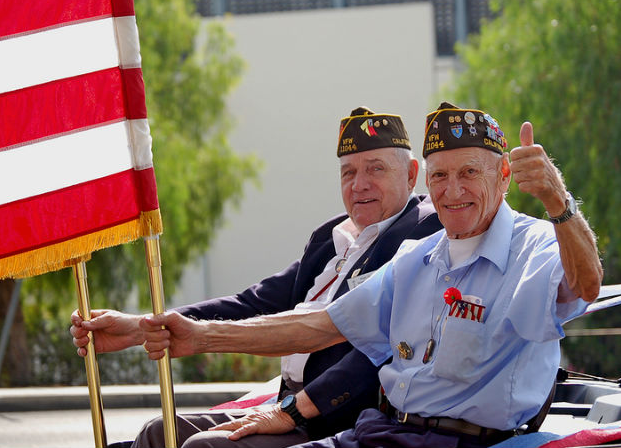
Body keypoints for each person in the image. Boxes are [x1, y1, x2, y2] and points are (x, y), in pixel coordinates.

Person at [111, 101, 603, 448]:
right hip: (382, 430)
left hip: (454, 439)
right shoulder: (418, 255)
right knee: (165, 437)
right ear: (426, 181)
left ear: (504, 177)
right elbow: (316, 323)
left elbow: (585, 286)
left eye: (470, 173)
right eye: (441, 176)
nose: (452, 191)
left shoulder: (534, 243)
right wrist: (196, 335)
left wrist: (558, 201)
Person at [70, 107, 443, 448]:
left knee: (203, 447)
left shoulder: (422, 234)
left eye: (375, 169)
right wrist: (141, 326)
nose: (359, 184)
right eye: (348, 172)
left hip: (338, 418)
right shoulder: (332, 239)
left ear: (411, 175)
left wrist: (291, 412)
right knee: (156, 433)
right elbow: (252, 304)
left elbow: (375, 349)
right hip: (287, 403)